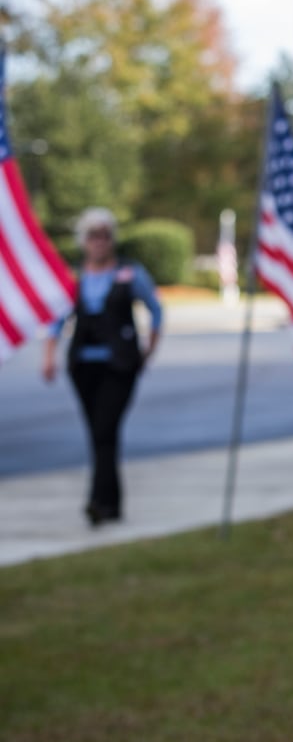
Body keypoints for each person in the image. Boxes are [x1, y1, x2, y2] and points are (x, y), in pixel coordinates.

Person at [41, 207, 163, 526]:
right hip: (83, 365)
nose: (99, 242)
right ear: (84, 241)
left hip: (119, 365)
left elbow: (156, 311)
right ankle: (112, 504)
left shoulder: (129, 273)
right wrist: (49, 355)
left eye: (105, 236)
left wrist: (149, 350)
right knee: (99, 434)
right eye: (93, 236)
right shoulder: (75, 278)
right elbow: (57, 320)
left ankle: (97, 501)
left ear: (112, 240)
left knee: (104, 429)